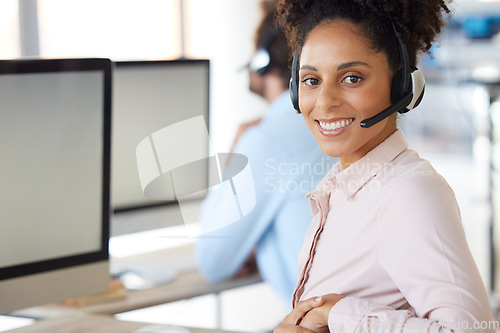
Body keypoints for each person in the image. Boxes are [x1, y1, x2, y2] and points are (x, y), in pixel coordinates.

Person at [272, 0, 496, 332]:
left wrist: (339, 314)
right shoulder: (343, 190)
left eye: (351, 77)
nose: (325, 101)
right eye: (311, 80)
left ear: (401, 86)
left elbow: (474, 330)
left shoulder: (409, 192)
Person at [196, 0, 335, 307]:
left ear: (262, 60)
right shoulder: (335, 125)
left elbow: (212, 262)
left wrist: (236, 151)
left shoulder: (268, 139)